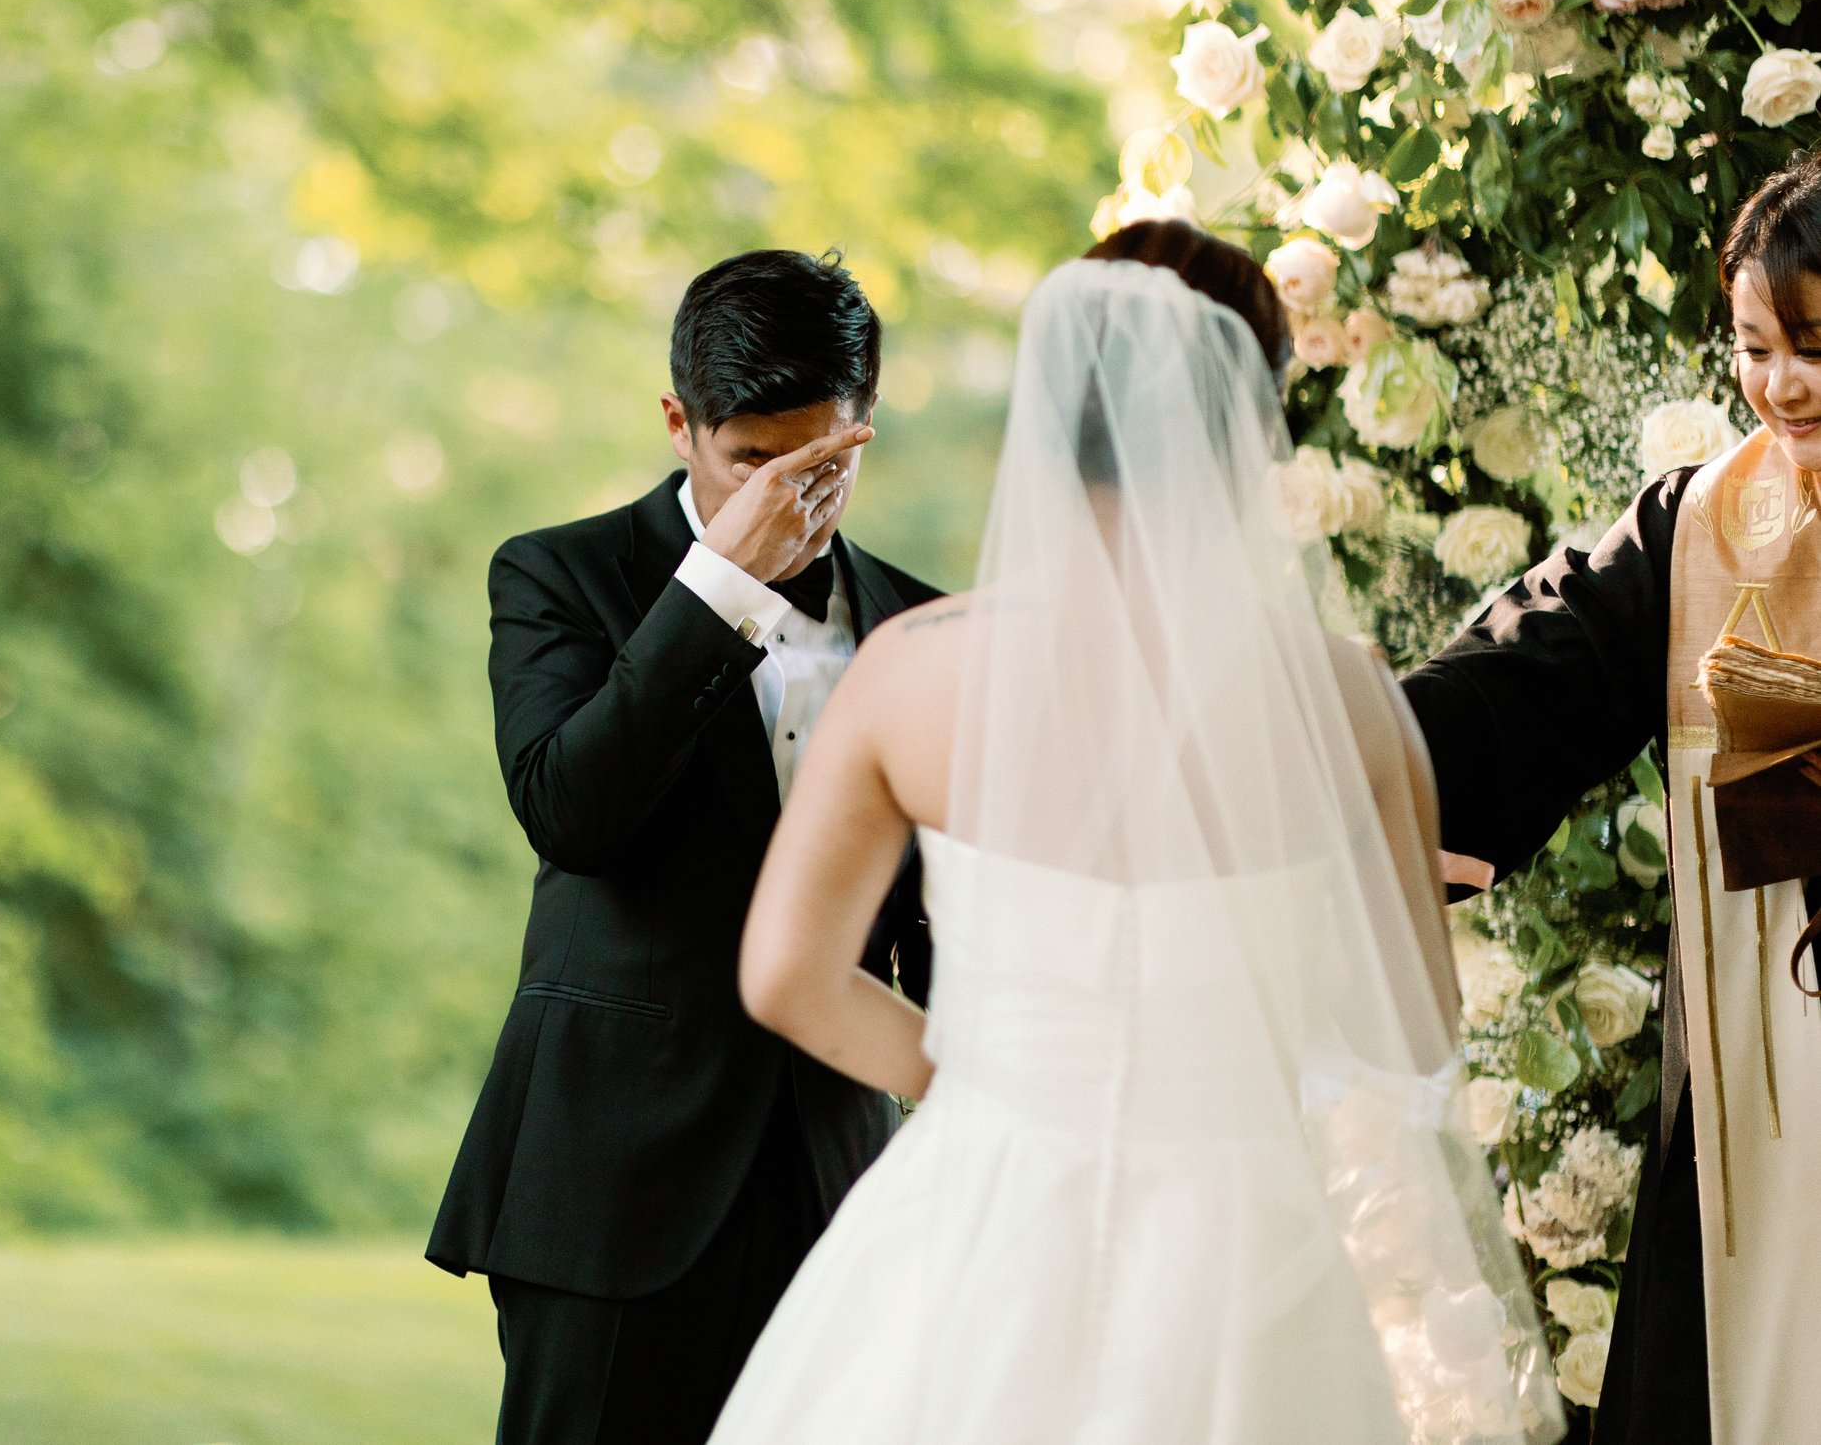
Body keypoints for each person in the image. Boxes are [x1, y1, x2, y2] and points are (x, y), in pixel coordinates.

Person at [709, 223, 1562, 1445]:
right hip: (1240, 1228)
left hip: (981, 1205)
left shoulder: (907, 670)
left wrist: (986, 1079)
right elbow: (1407, 1029)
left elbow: (784, 973)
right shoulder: (1344, 699)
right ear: (1245, 422)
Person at [427, 249, 942, 1445]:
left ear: (863, 430)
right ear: (679, 425)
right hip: (612, 1181)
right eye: (749, 463)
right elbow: (572, 811)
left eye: (821, 464)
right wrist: (719, 585)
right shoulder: (557, 573)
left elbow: (936, 918)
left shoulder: (922, 622)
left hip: (840, 1182)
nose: (790, 500)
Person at [1403, 159, 1821, 1445]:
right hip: (1769, 1092)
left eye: (1816, 345)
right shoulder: (1700, 533)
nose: (1783, 384)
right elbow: (1528, 675)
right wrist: (1356, 739)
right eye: (1756, 346)